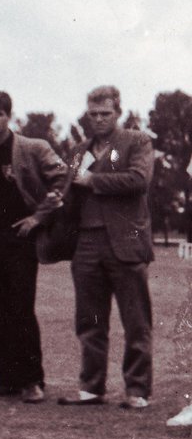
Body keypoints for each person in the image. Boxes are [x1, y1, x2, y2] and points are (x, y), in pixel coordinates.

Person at [0, 91, 68, 404]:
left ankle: (32, 381)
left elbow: (63, 178)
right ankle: (6, 379)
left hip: (21, 237)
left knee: (20, 308)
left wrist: (39, 217)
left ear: (9, 117)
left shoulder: (33, 147)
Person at [58, 86, 154, 410]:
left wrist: (92, 181)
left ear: (119, 112)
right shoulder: (78, 151)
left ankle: (137, 390)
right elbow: (68, 192)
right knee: (90, 321)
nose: (98, 119)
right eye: (93, 114)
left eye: (105, 113)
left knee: (136, 322)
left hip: (125, 242)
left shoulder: (137, 141)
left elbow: (139, 180)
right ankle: (91, 388)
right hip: (86, 243)